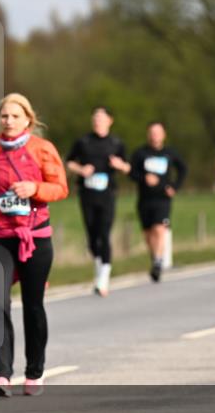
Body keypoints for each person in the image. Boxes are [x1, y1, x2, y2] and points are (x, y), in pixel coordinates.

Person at [0, 93, 68, 397]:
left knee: (33, 305)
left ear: (28, 119)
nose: (8, 121)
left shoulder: (42, 149)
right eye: (4, 116)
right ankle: (1, 374)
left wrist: (35, 188)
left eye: (15, 116)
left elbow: (61, 188)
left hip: (35, 235)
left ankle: (35, 371)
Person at [65, 107, 129, 297]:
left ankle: (103, 279)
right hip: (87, 194)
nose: (97, 122)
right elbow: (69, 162)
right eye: (95, 118)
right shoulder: (83, 142)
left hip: (108, 194)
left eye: (101, 118)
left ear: (110, 120)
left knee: (104, 232)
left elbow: (128, 167)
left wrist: (119, 165)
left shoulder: (116, 143)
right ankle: (99, 269)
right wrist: (81, 169)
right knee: (92, 236)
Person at [129, 122, 187, 282]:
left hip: (162, 198)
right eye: (152, 133)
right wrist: (144, 178)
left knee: (159, 228)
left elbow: (183, 169)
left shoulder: (170, 153)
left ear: (163, 135)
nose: (155, 136)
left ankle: (158, 262)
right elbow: (131, 173)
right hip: (144, 198)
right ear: (148, 135)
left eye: (158, 133)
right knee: (148, 233)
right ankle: (155, 258)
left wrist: (175, 187)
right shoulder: (140, 153)